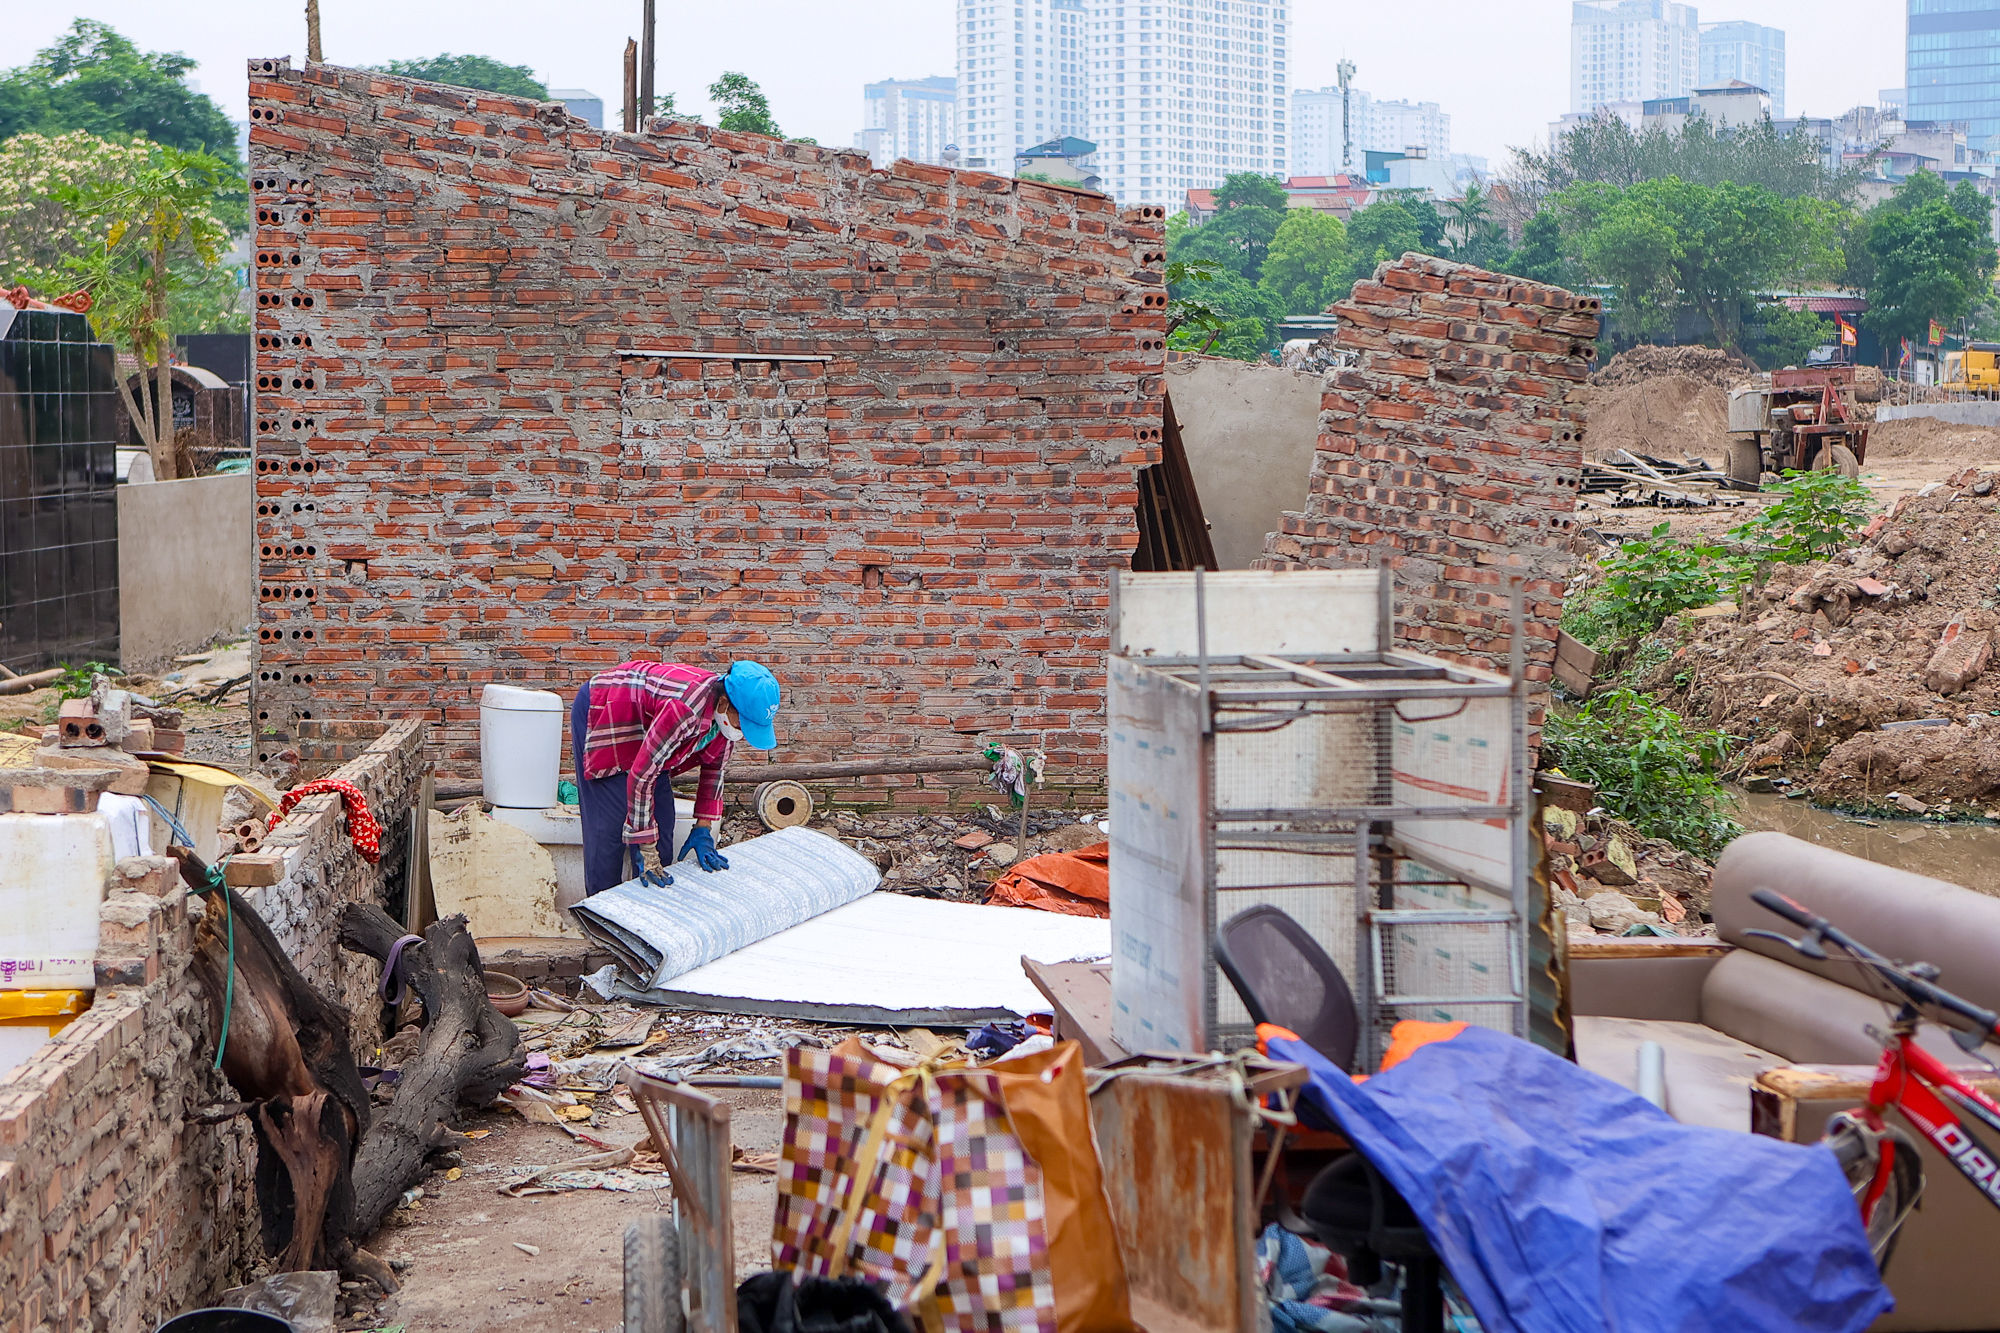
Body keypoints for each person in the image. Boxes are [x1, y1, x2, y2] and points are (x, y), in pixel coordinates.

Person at [569, 659, 781, 895]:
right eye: (743, 723)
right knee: (609, 828)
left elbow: (714, 770)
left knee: (662, 828)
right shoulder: (684, 709)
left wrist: (704, 828)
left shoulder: (722, 722)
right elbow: (641, 775)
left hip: (651, 725)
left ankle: (647, 912)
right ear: (723, 702)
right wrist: (646, 846)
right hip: (609, 708)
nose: (742, 731)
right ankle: (603, 912)